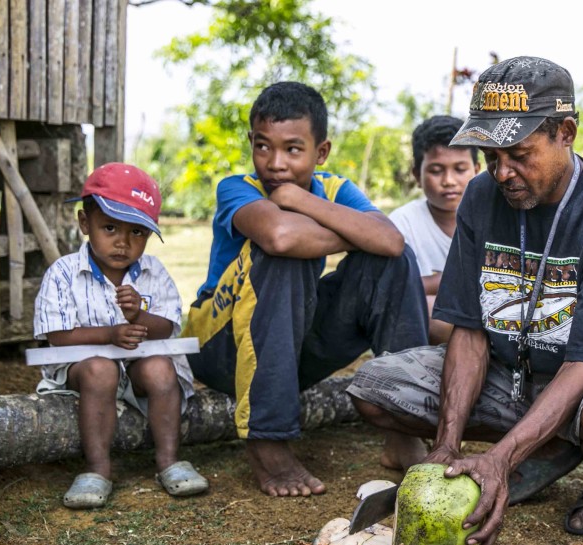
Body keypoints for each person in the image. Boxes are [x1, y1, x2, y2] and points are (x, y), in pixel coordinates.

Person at [347, 56, 583, 545]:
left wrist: (500, 460)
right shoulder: (481, 197)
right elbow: (470, 330)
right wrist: (446, 444)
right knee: (373, 388)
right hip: (514, 374)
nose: (502, 172)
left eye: (519, 154)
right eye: (490, 156)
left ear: (565, 132)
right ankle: (546, 447)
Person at [182, 81, 429, 497]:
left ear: (322, 152)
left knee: (391, 264)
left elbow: (390, 242)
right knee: (281, 255)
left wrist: (301, 201)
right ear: (251, 143)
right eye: (263, 146)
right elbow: (279, 237)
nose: (275, 163)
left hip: (284, 345)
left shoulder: (333, 188)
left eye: (293, 150)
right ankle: (268, 440)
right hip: (218, 348)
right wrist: (351, 230)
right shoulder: (236, 187)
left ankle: (405, 428)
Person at [34, 163, 208, 509]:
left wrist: (137, 316)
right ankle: (97, 469)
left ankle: (169, 461)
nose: (123, 242)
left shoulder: (153, 272)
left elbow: (167, 326)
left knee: (160, 368)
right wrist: (110, 335)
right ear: (85, 223)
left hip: (139, 367)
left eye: (137, 232)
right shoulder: (63, 273)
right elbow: (57, 336)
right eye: (110, 227)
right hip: (83, 368)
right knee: (102, 369)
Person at [389, 115, 480, 344]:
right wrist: (455, 280)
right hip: (434, 330)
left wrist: (440, 281)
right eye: (436, 170)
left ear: (477, 170)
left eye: (460, 169)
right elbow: (392, 289)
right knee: (427, 310)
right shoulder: (403, 223)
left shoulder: (493, 217)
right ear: (416, 175)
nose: (449, 180)